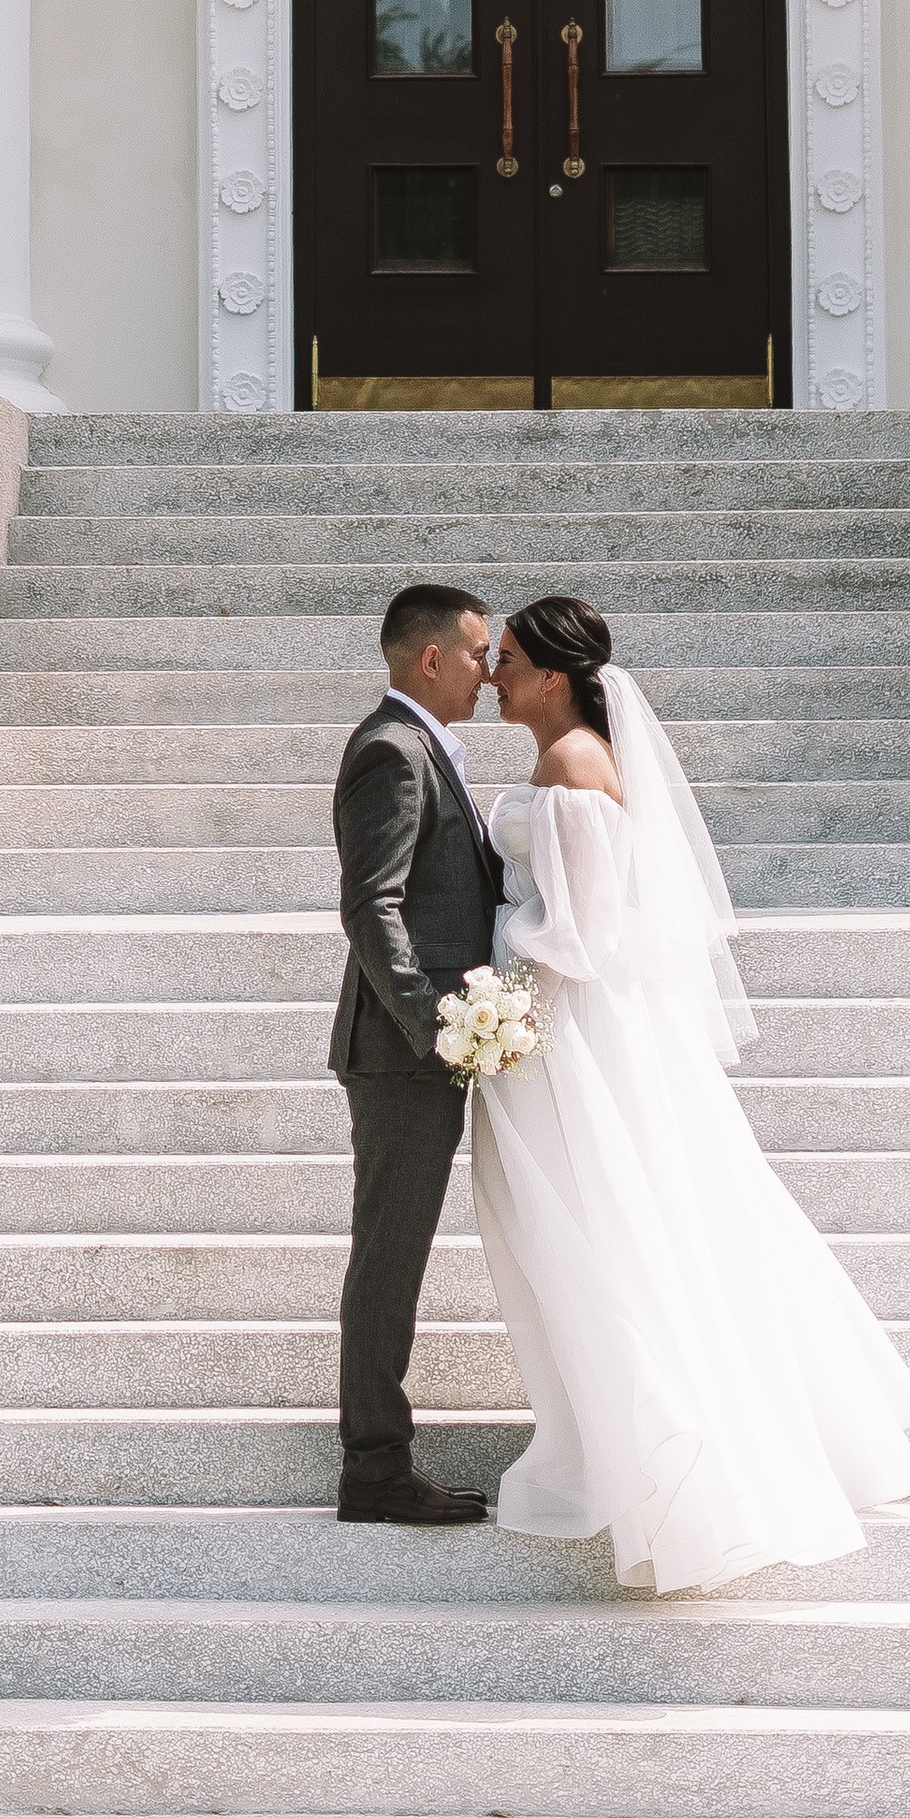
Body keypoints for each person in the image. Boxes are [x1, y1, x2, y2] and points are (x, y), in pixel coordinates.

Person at [469, 592, 910, 1593]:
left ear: (551, 675)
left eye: (505, 658)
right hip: (580, 1024)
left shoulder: (571, 765)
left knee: (612, 1220)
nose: (490, 675)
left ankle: (672, 1441)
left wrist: (488, 985)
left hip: (573, 1031)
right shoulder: (577, 761)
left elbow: (578, 935)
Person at [326, 581, 504, 1525]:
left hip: (424, 1043)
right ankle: (376, 1466)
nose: (491, 668)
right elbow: (373, 905)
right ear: (430, 658)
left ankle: (378, 1456)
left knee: (395, 1249)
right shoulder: (393, 751)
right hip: (402, 1053)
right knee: (390, 1255)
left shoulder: (429, 745)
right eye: (479, 652)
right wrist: (433, 1024)